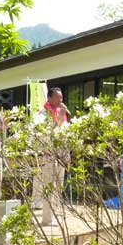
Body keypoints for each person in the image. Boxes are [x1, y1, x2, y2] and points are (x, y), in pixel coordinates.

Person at [31, 87, 71, 226]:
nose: (61, 100)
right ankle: (47, 218)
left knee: (58, 185)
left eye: (62, 97)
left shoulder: (62, 112)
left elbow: (63, 132)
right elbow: (47, 134)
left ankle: (55, 214)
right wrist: (59, 119)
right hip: (48, 155)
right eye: (58, 97)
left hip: (60, 154)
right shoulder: (42, 114)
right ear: (49, 98)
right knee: (49, 185)